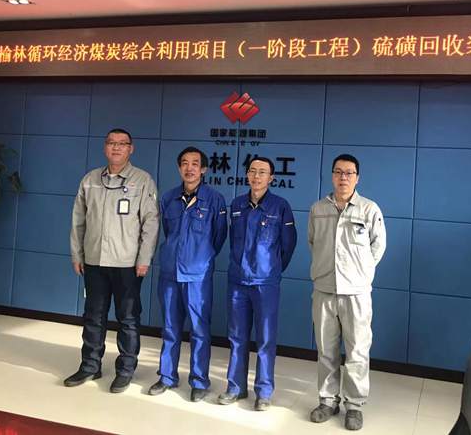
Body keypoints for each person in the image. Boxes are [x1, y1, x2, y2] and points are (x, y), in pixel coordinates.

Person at [65, 128, 159, 393]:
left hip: (127, 264)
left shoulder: (142, 180)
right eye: (111, 143)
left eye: (122, 143)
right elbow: (78, 221)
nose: (116, 147)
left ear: (131, 149)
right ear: (105, 147)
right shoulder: (90, 180)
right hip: (94, 261)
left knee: (128, 318)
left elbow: (150, 223)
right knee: (93, 316)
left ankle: (125, 370)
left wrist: (144, 258)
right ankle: (90, 366)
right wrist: (77, 254)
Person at [308, 154, 386, 431]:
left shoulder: (369, 209)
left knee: (357, 350)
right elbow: (313, 242)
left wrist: (360, 273)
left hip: (356, 293)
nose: (343, 177)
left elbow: (378, 246)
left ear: (357, 178)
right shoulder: (318, 209)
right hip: (325, 289)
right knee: (326, 350)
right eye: (338, 172)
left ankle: (354, 405)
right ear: (332, 175)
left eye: (349, 173)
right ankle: (328, 400)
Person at [148, 146, 227, 402]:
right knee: (170, 328)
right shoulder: (168, 198)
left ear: (203, 169)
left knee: (199, 330)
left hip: (198, 276)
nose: (189, 168)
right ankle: (167, 376)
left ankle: (199, 381)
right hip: (170, 273)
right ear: (179, 167)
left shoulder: (214, 199)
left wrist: (201, 257)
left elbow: (219, 237)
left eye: (195, 163)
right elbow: (167, 231)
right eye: (184, 163)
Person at [218, 157, 297, 411]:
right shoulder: (237, 204)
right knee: (236, 337)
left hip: (266, 283)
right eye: (252, 171)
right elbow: (233, 240)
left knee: (265, 338)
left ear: (271, 178)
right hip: (238, 281)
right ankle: (235, 387)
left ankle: (263, 392)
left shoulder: (280, 206)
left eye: (262, 172)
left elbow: (288, 245)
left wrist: (272, 268)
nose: (256, 176)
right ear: (247, 175)